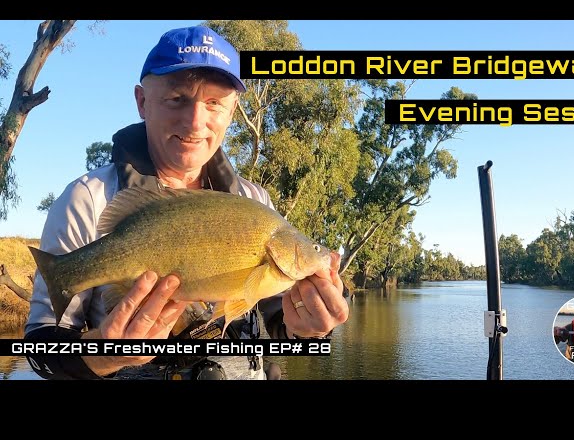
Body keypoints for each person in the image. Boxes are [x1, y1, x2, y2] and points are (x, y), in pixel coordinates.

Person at [24, 25, 349, 380]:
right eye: (177, 99)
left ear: (232, 109)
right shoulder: (87, 199)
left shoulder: (254, 200)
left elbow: (283, 325)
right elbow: (40, 347)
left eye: (214, 103)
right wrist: (103, 355)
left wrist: (313, 326)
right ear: (142, 101)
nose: (195, 122)